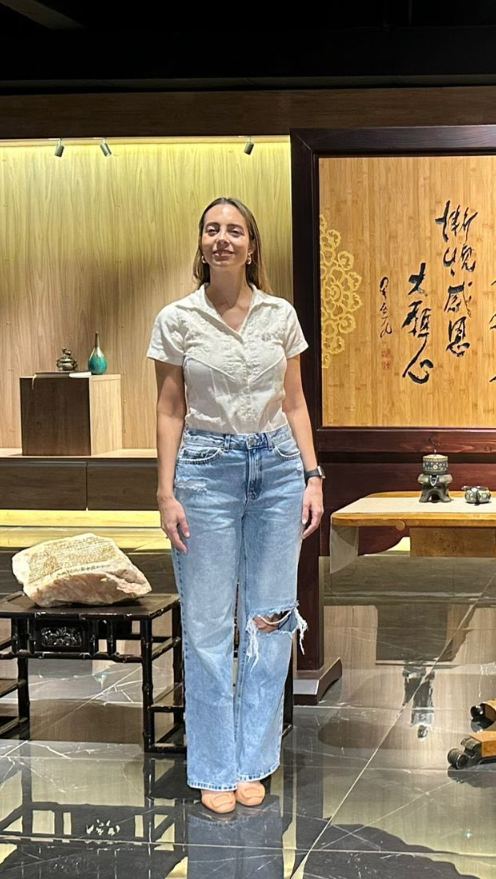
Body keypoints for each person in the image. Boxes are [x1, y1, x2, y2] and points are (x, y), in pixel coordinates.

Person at [149, 197, 325, 814]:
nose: (222, 239)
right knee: (205, 627)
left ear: (252, 246)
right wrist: (166, 491)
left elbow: (295, 401)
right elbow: (170, 408)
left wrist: (312, 475)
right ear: (201, 243)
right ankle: (214, 767)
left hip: (277, 468)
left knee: (271, 618)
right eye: (212, 229)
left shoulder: (280, 315)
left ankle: (254, 760)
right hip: (205, 472)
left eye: (235, 230)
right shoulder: (177, 319)